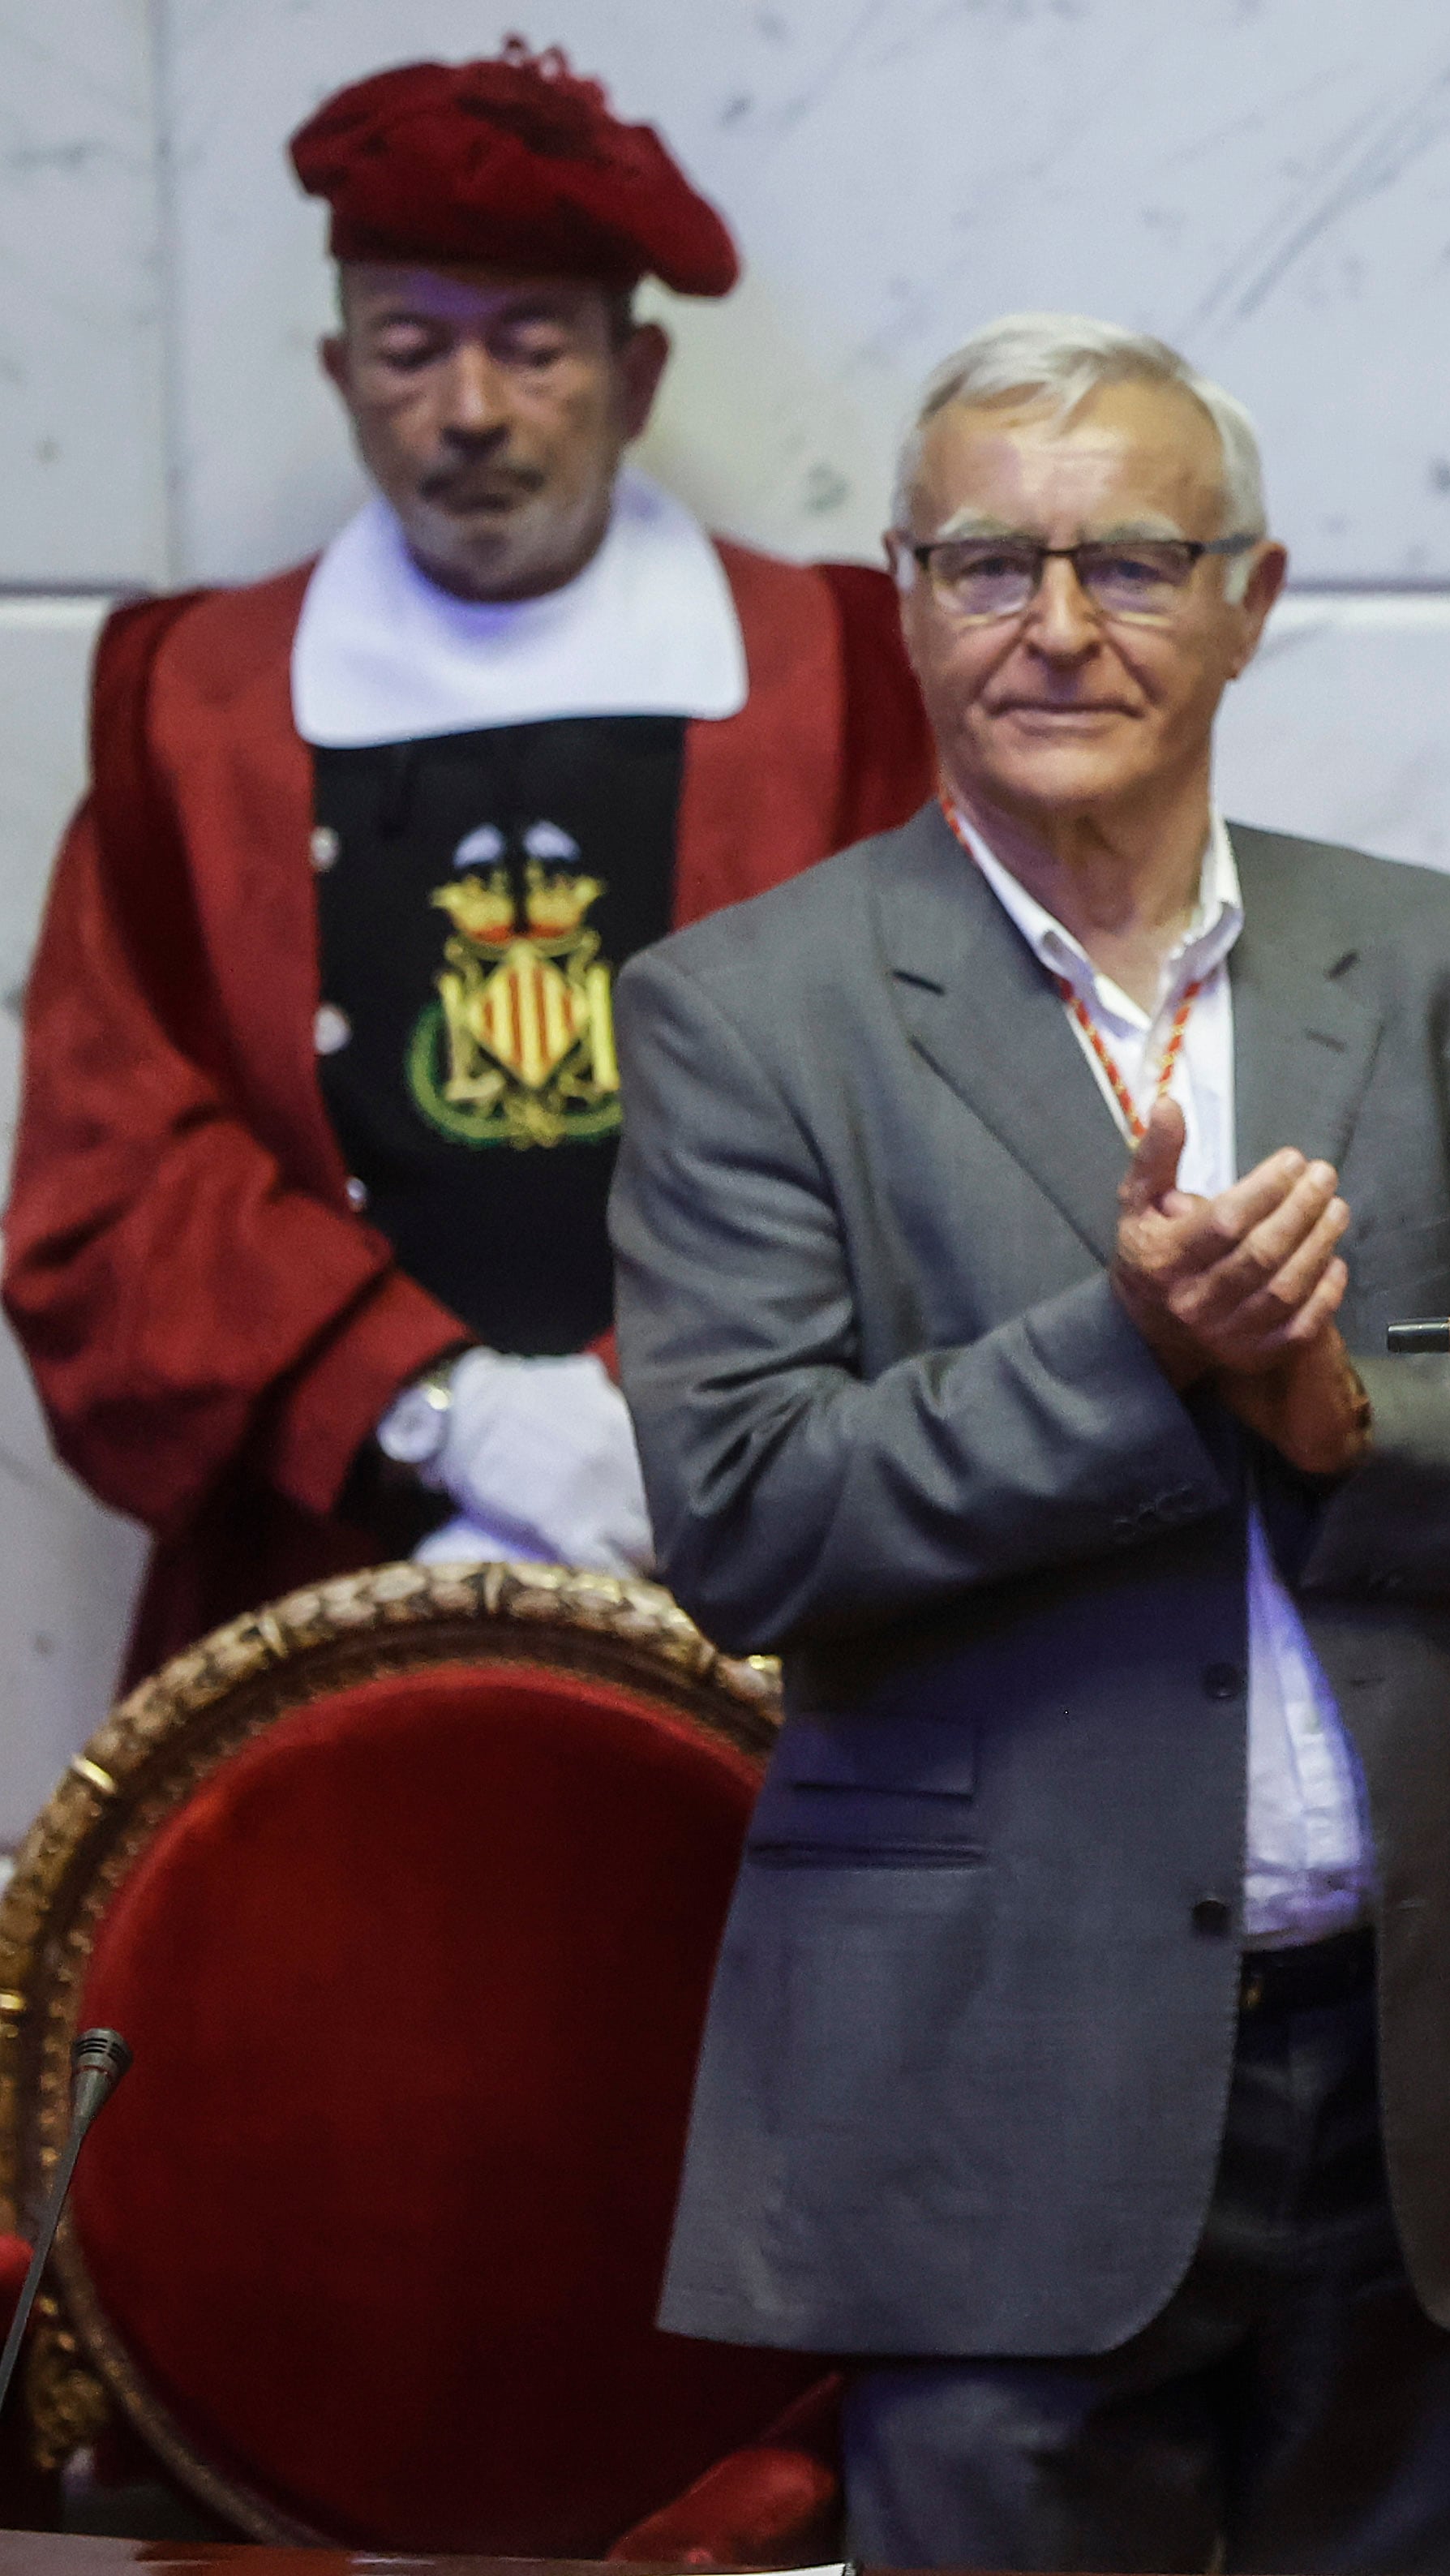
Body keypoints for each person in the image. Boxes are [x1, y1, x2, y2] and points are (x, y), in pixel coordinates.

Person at [613, 312, 1450, 2574]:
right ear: (904, 604)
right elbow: (741, 1520)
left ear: (1254, 592)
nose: (1056, 628)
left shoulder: (1448, 971)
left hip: (1435, 2058)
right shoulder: (749, 1014)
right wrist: (1133, 1355)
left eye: (1131, 562)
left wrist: (1342, 1423)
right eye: (984, 565)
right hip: (991, 2078)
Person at [1, 41, 929, 1674]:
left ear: (637, 377)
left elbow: (935, 1125)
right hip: (319, 1585)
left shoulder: (837, 687)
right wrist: (431, 1410)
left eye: (532, 347)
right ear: (339, 369)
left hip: (764, 1585)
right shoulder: (193, 714)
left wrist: (660, 1423)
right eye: (413, 349)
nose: (472, 412)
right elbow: (109, 1179)